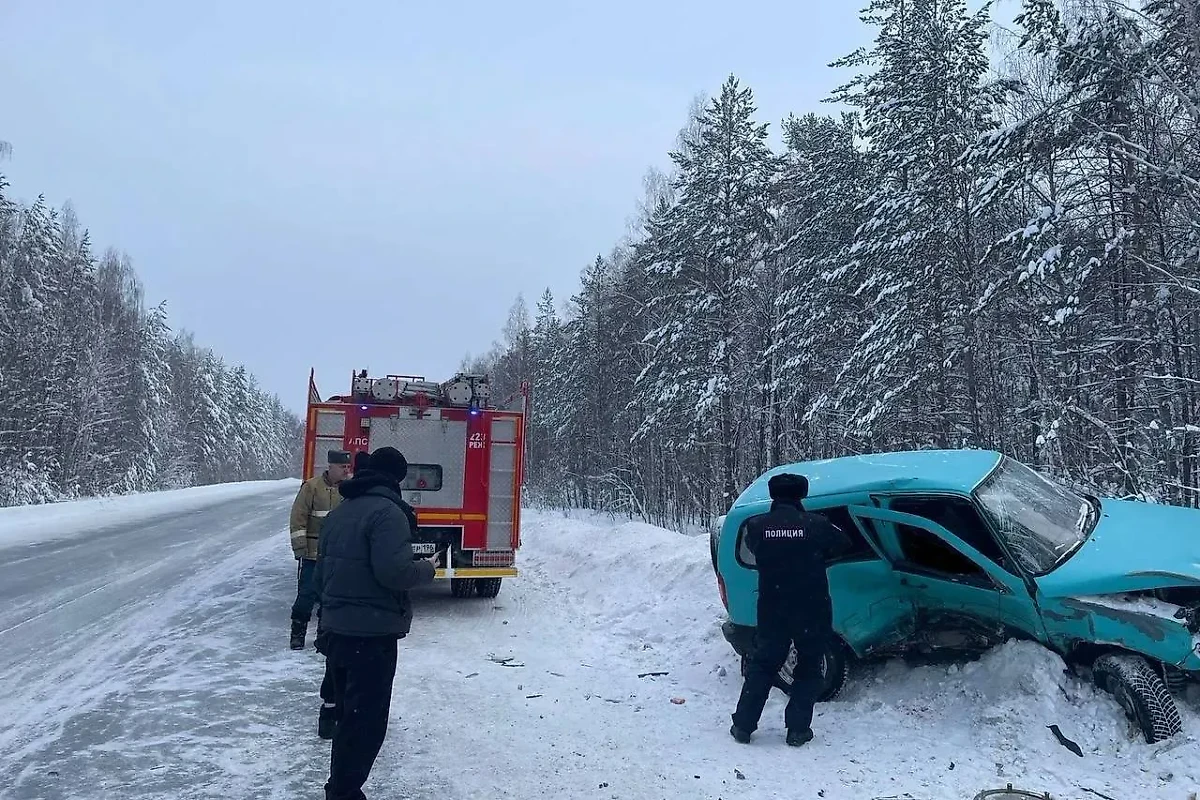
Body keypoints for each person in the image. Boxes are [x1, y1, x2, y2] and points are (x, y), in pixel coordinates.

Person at [314, 446, 439, 800]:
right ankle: (343, 792)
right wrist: (427, 567)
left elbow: (320, 574)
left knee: (347, 718)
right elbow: (394, 573)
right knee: (365, 724)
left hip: (338, 632)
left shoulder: (341, 511)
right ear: (397, 478)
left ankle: (339, 787)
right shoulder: (389, 513)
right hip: (370, 636)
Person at [730, 472, 852, 747]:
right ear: (801, 495)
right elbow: (845, 543)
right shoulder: (817, 525)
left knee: (763, 664)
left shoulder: (758, 526)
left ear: (773, 495)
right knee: (809, 665)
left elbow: (753, 547)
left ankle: (743, 725)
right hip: (811, 607)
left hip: (773, 606)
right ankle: (797, 730)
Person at [288, 449, 352, 650]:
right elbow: (298, 518)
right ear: (330, 466)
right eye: (342, 467)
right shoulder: (311, 487)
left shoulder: (350, 489)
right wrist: (300, 548)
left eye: (347, 467)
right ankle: (297, 633)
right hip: (312, 555)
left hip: (338, 556)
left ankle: (323, 637)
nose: (346, 471)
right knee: (306, 596)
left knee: (330, 598)